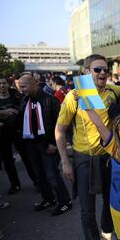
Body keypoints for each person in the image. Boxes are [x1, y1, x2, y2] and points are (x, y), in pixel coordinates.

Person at [55, 54, 120, 240]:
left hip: (107, 156)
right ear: (87, 71)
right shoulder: (73, 96)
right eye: (97, 70)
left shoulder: (114, 91)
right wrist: (65, 162)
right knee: (87, 207)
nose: (102, 73)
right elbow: (60, 130)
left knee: (108, 200)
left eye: (105, 69)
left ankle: (107, 229)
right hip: (83, 158)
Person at [18, 74, 72, 215]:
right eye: (19, 87)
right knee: (39, 175)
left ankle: (65, 201)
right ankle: (48, 199)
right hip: (31, 145)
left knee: (52, 176)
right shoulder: (24, 101)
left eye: (23, 86)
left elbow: (61, 124)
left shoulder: (50, 100)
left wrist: (55, 143)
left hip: (48, 145)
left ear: (34, 84)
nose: (21, 90)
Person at [0, 76, 37, 194]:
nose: (2, 86)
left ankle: (37, 181)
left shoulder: (16, 94)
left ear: (7, 84)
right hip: (2, 133)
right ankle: (15, 184)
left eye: (4, 83)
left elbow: (26, 106)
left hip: (19, 131)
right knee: (7, 160)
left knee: (26, 157)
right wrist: (3, 112)